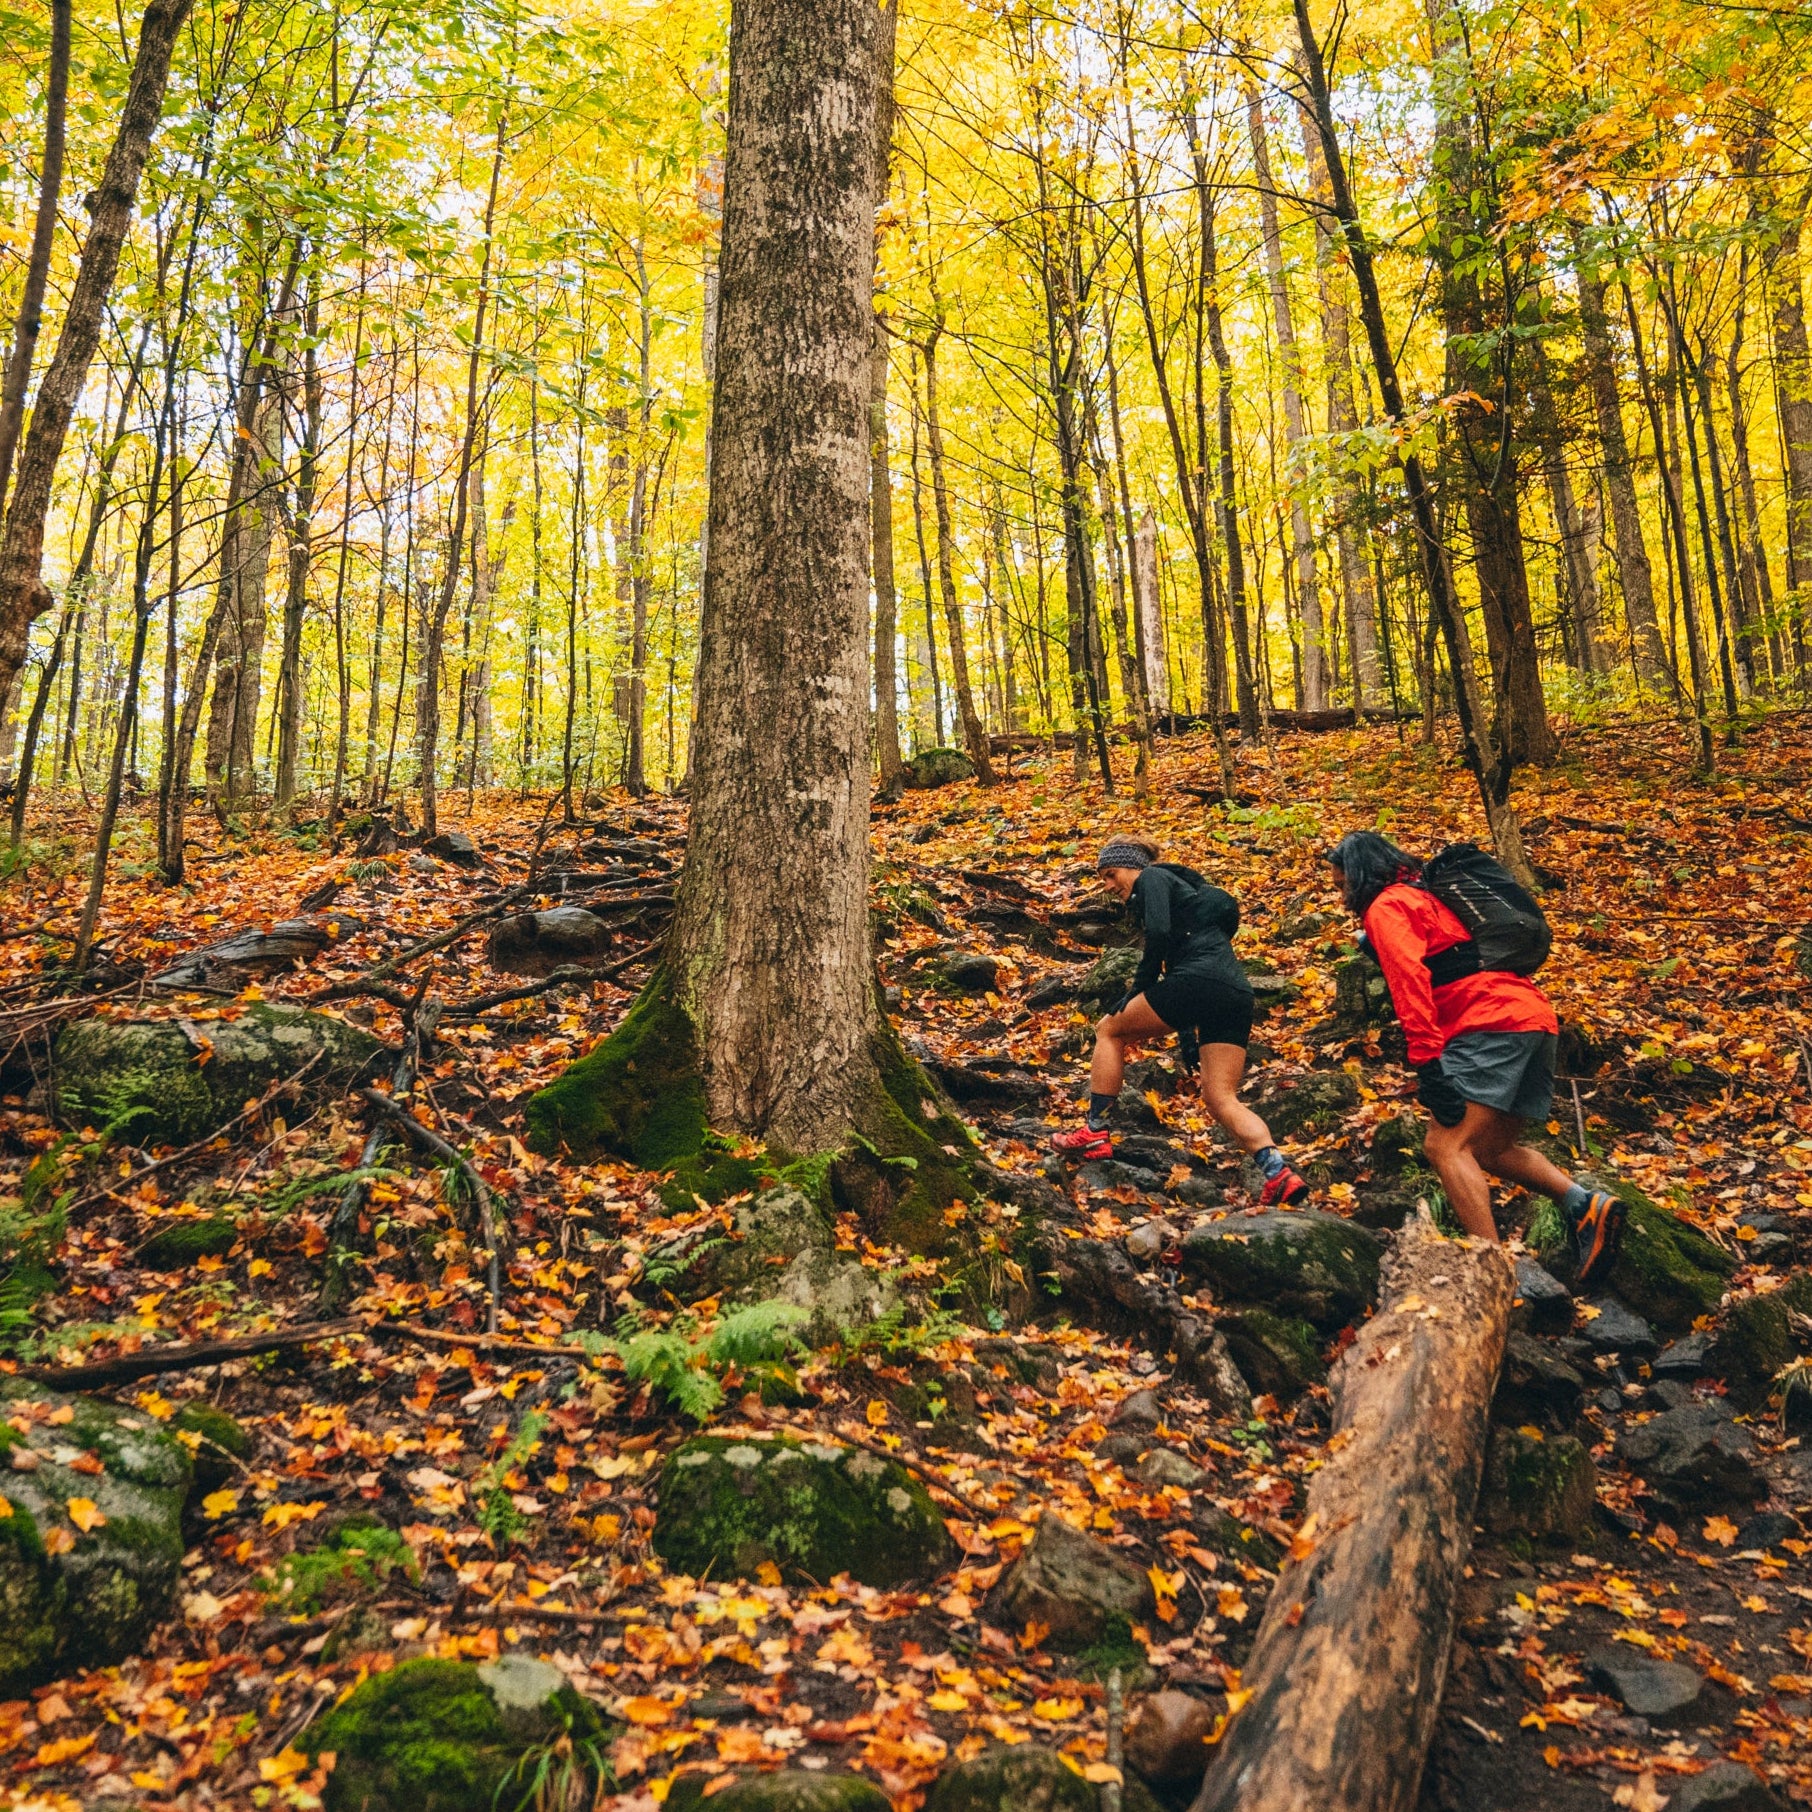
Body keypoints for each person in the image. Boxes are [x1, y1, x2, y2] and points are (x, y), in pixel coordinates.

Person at [1326, 829, 1623, 1283]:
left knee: (1444, 1145)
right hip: (1531, 1019)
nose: (1339, 891)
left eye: (1339, 880)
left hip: (1488, 1022)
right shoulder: (1427, 899)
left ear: (1359, 872)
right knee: (1488, 1148)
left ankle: (1492, 1268)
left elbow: (1410, 982)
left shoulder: (1387, 906)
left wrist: (1427, 1063)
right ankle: (1586, 1205)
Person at [1051, 834, 1309, 1205]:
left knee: (1108, 1030)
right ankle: (1278, 1173)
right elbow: (1179, 966)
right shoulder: (1182, 895)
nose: (1108, 886)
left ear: (1132, 866)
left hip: (1198, 980)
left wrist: (1139, 986)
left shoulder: (1151, 878)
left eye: (1111, 875)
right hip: (1234, 991)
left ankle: (1094, 1131)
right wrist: (1188, 1036)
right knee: (1220, 1097)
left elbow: (1158, 938)